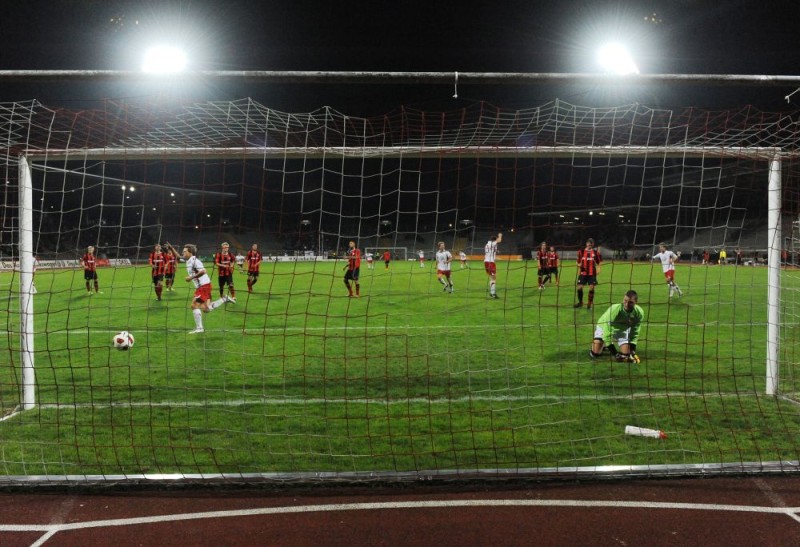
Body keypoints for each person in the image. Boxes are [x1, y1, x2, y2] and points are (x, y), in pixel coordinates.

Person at [167, 242, 232, 334]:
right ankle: (224, 299)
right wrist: (171, 248)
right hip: (204, 285)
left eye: (184, 251)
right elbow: (178, 257)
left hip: (204, 285)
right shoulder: (188, 260)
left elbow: (203, 271)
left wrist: (191, 277)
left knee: (194, 305)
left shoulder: (195, 261)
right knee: (206, 309)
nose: (183, 253)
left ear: (190, 252)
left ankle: (199, 328)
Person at [589, 289, 645, 364]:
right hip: (603, 327)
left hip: (622, 330)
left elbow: (635, 331)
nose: (626, 304)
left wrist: (632, 350)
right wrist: (615, 354)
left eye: (630, 302)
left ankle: (609, 346)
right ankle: (602, 345)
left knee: (626, 354)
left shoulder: (639, 312)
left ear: (636, 302)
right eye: (625, 300)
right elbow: (606, 333)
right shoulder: (615, 310)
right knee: (595, 354)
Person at [574, 238, 601, 309]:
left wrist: (599, 269)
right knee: (579, 288)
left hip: (592, 274)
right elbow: (577, 261)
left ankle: (589, 303)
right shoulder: (581, 252)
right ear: (586, 244)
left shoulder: (595, 253)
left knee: (591, 288)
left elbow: (599, 262)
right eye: (588, 242)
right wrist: (578, 265)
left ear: (592, 244)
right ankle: (580, 302)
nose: (589, 244)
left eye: (591, 243)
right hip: (583, 273)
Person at [484, 232, 503, 299]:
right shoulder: (492, 243)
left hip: (486, 262)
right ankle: (493, 293)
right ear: (494, 240)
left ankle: (492, 293)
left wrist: (496, 251)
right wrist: (500, 235)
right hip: (490, 262)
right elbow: (499, 240)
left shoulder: (487, 244)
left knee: (492, 277)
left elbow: (492, 250)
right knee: (494, 277)